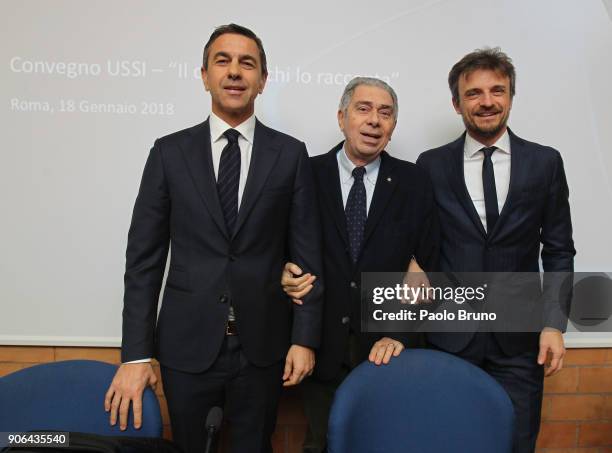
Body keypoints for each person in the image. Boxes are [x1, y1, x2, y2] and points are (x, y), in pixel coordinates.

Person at [104, 24, 323, 453]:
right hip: (186, 348)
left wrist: (304, 338)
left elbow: (307, 255)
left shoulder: (290, 154)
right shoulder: (169, 153)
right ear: (204, 75)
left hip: (264, 348)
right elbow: (144, 260)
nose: (235, 72)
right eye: (222, 61)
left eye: (247, 63)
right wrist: (134, 355)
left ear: (263, 79)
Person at [416, 48, 575, 453]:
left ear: (510, 96)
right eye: (474, 93)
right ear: (457, 103)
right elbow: (417, 245)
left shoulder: (545, 163)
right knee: (448, 442)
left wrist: (554, 324)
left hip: (519, 343)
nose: (487, 101)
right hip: (448, 338)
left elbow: (558, 249)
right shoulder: (430, 165)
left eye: (497, 90)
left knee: (516, 444)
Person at [281, 77, 438, 453]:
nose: (374, 121)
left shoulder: (415, 181)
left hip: (386, 352)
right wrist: (281, 272)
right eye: (363, 109)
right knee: (322, 444)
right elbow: (279, 246)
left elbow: (429, 265)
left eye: (385, 113)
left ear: (393, 127)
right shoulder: (306, 173)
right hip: (320, 348)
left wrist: (399, 335)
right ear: (341, 117)